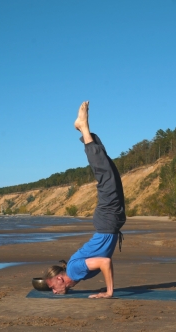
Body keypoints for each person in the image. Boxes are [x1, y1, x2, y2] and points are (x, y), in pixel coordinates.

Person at [44, 101, 126, 299]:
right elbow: (105, 260)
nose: (54, 291)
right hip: (107, 223)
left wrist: (109, 292)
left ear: (60, 279)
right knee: (109, 171)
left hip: (107, 221)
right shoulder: (75, 272)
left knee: (104, 173)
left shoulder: (74, 272)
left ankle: (84, 127)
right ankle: (83, 131)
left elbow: (105, 262)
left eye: (52, 287)